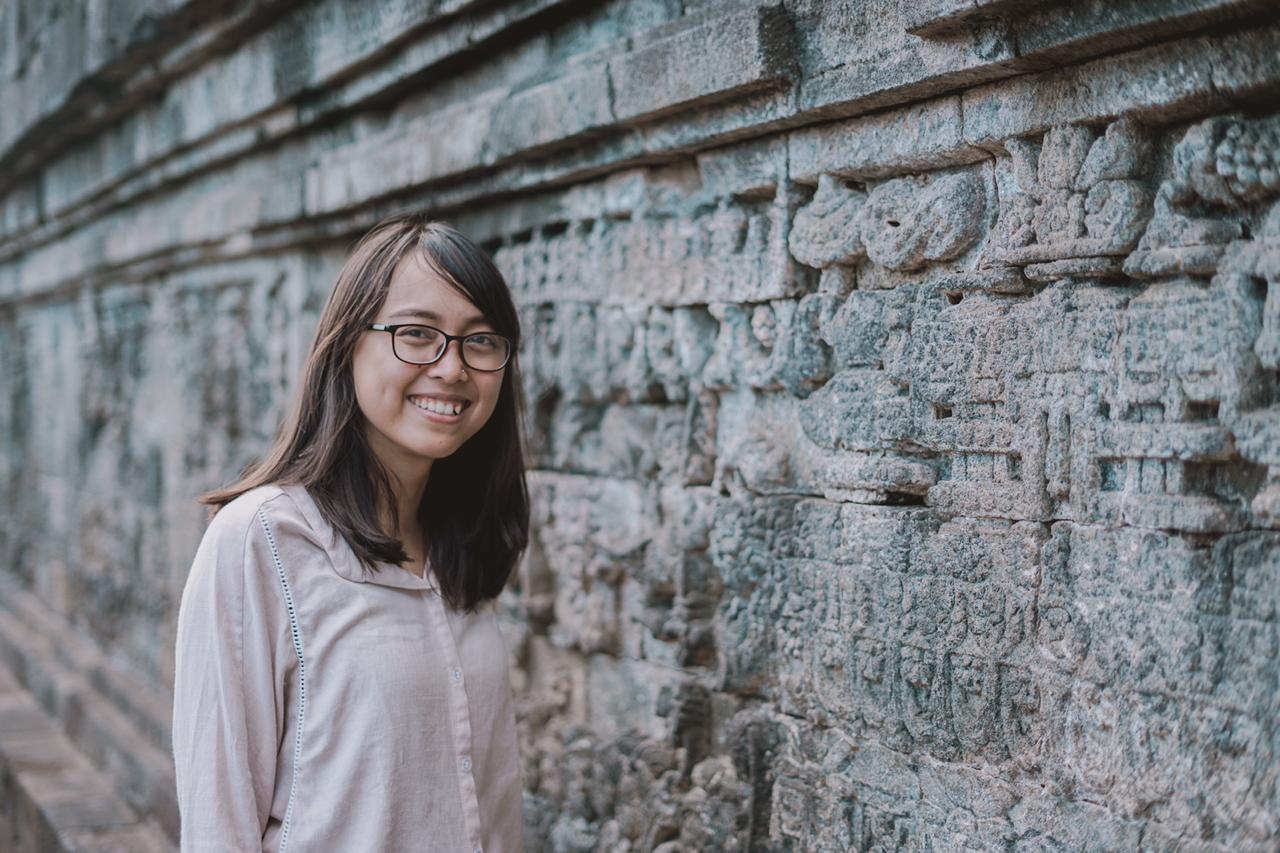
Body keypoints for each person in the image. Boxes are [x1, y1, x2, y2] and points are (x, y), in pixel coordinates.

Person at [171, 214, 530, 853]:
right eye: (417, 334)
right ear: (346, 345)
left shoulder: (461, 548)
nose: (452, 368)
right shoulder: (263, 542)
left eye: (481, 341)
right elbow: (217, 818)